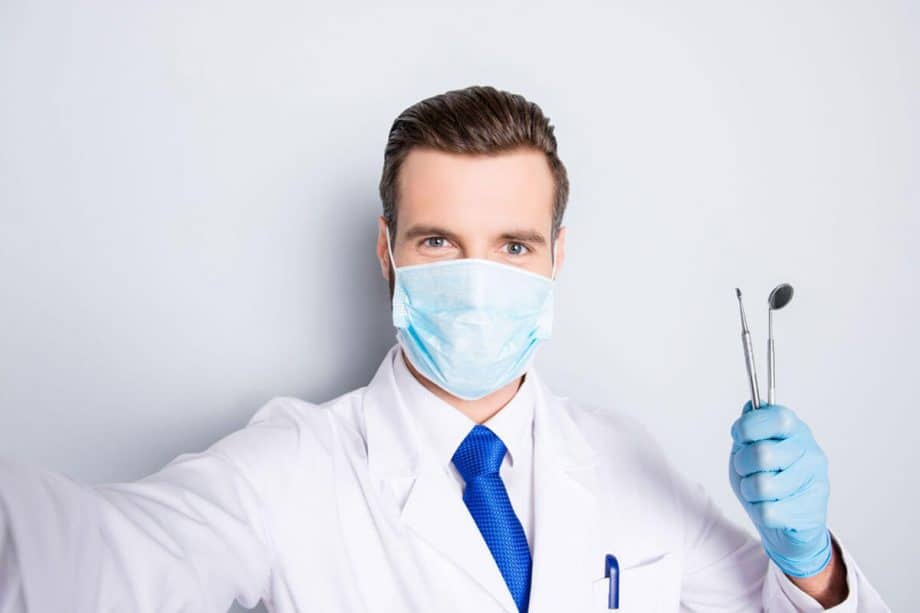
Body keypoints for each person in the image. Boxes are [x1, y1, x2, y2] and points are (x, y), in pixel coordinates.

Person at [0, 85, 889, 613]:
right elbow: (92, 559)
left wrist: (813, 565)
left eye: (511, 246)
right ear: (386, 250)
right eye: (437, 243)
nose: (477, 282)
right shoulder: (293, 465)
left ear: (556, 256)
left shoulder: (624, 458)